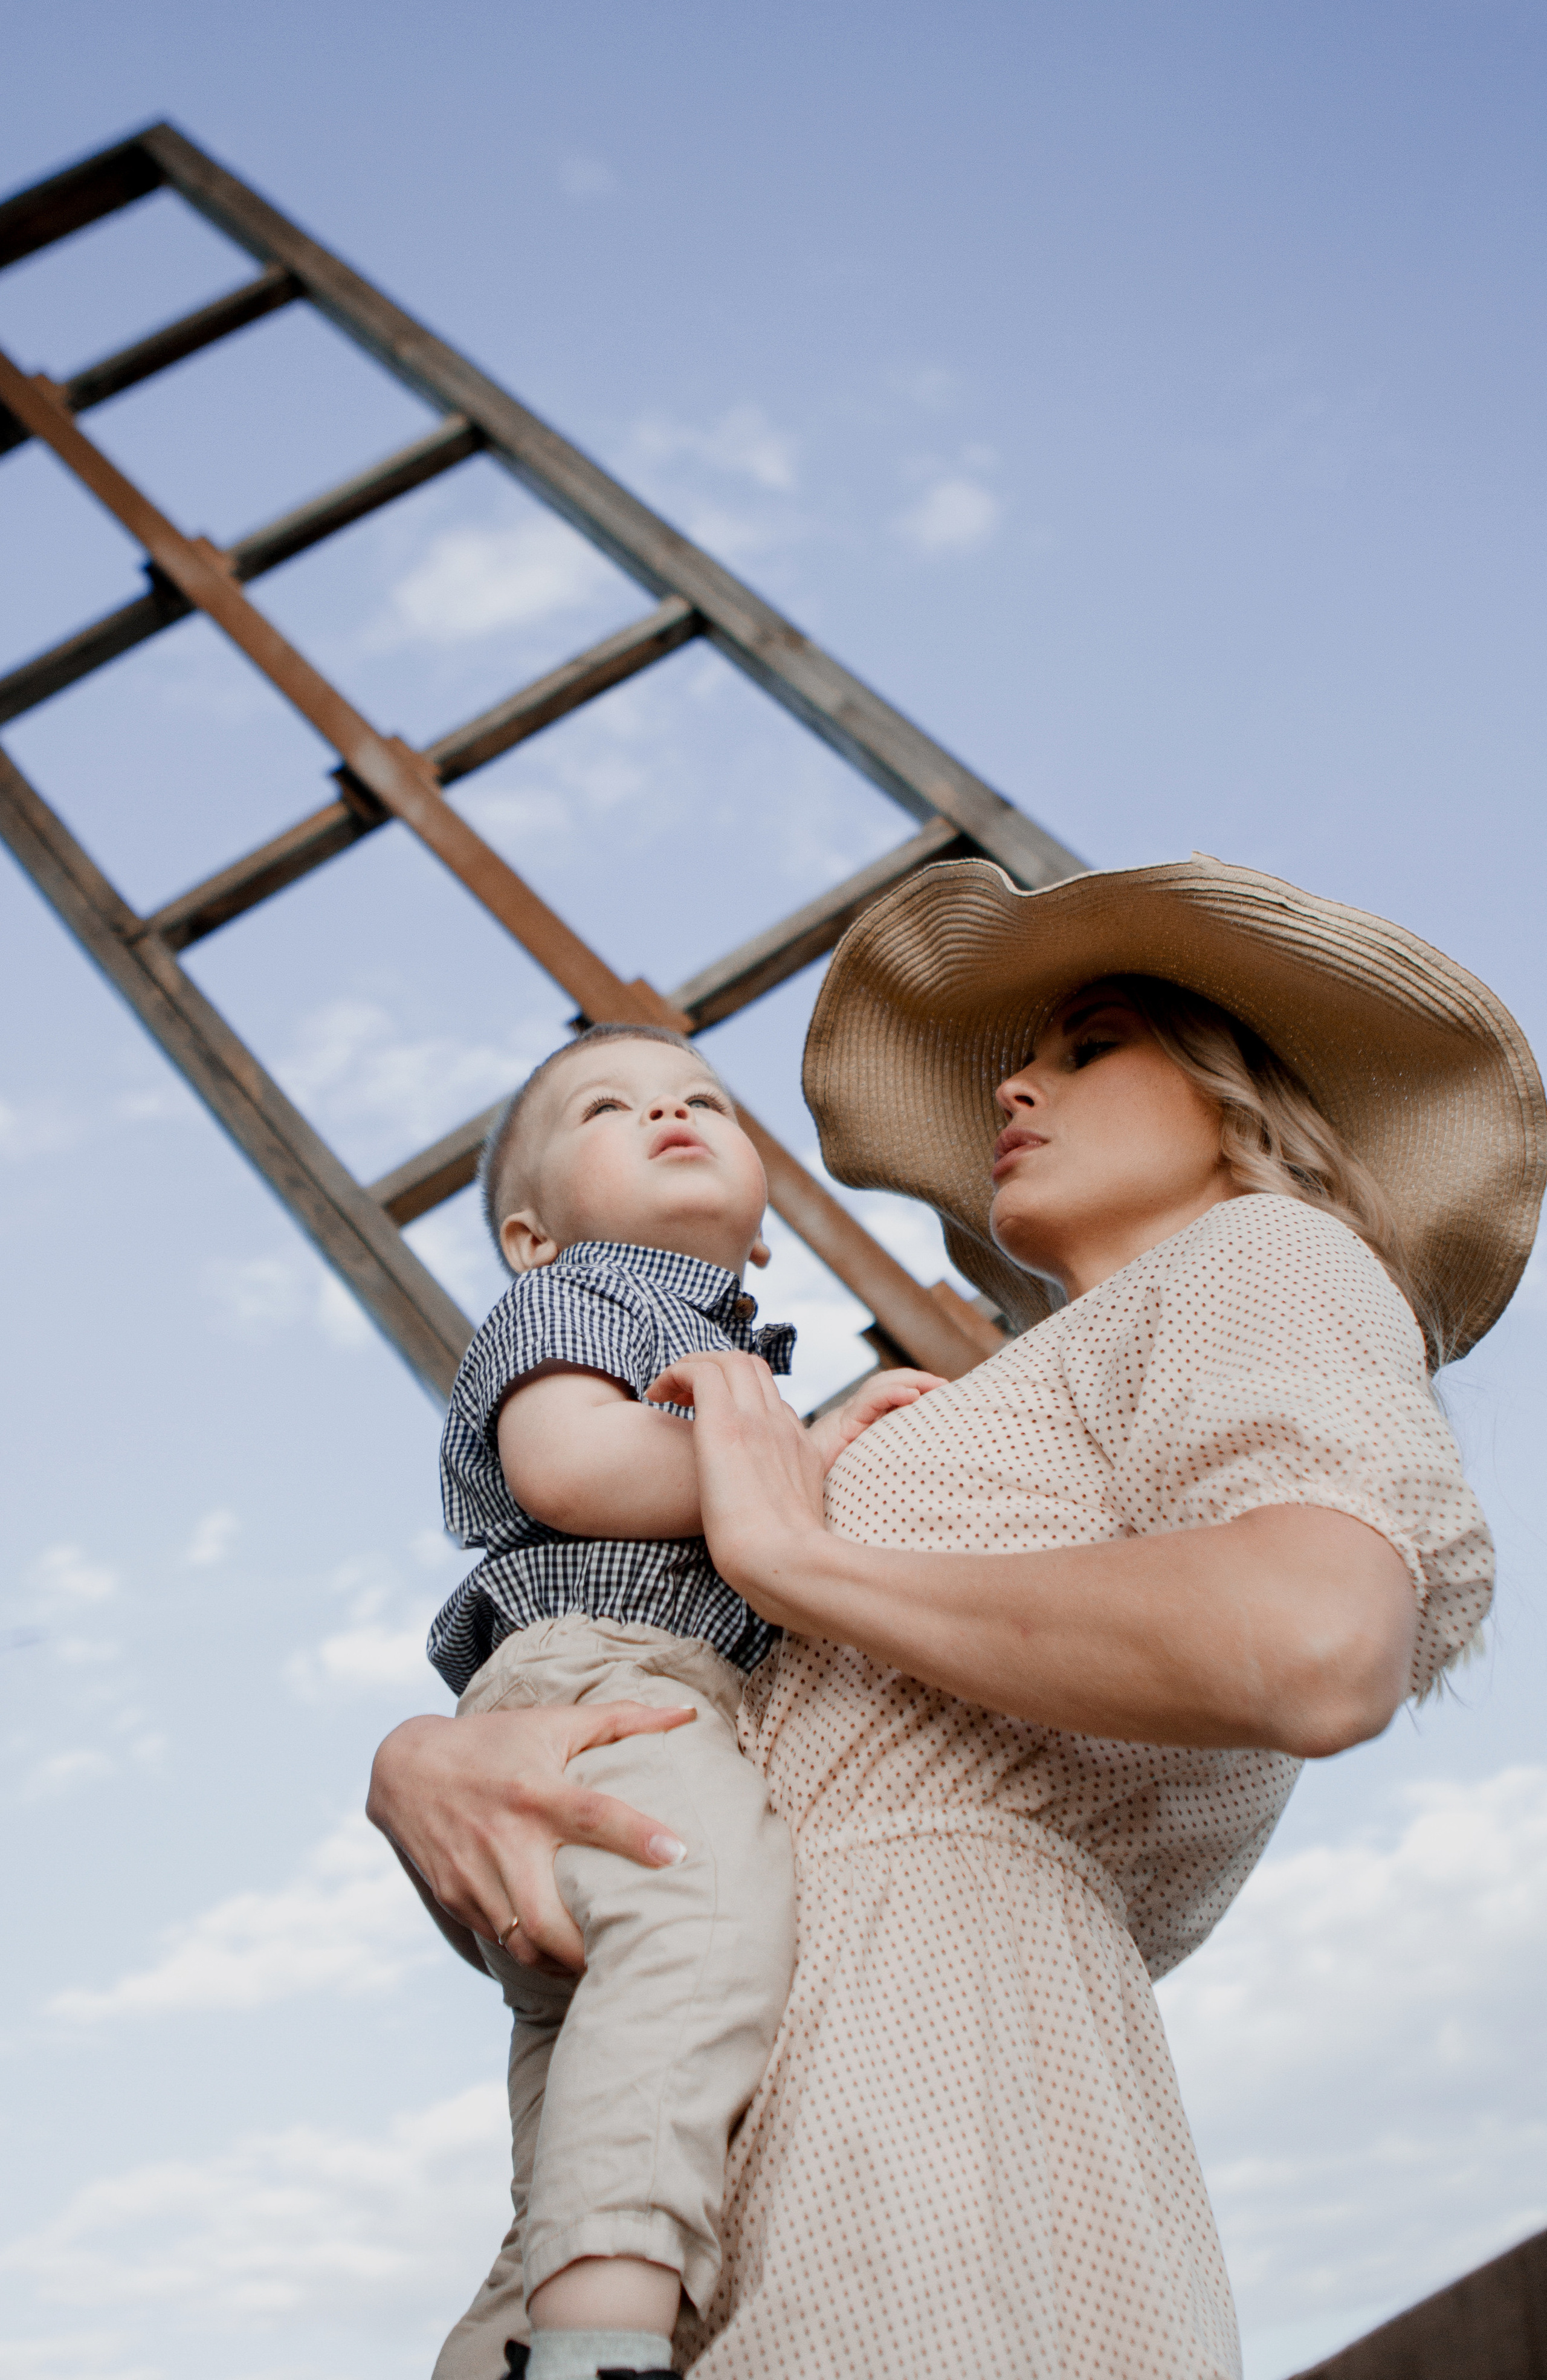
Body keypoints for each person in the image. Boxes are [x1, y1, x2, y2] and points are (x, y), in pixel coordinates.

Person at [370, 856, 1541, 2379]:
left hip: (928, 2096)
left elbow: (1316, 1636)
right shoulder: (1006, 1400)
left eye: (1086, 1044)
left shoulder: (1262, 1258)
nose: (1013, 1085)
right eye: (1016, 1057)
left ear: (1238, 1104)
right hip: (690, 2095)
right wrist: (428, 1754)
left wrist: (800, 1557)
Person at [396, 1020, 942, 2380]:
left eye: (703, 1098)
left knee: (584, 2101)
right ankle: (603, 2348)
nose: (669, 1113)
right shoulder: (582, 1297)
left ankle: (524, 2337)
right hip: (604, 1681)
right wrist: (798, 1457)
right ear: (530, 1238)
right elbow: (570, 1468)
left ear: (762, 1236)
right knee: (701, 1904)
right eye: (606, 1108)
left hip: (640, 1698)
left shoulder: (723, 1341)